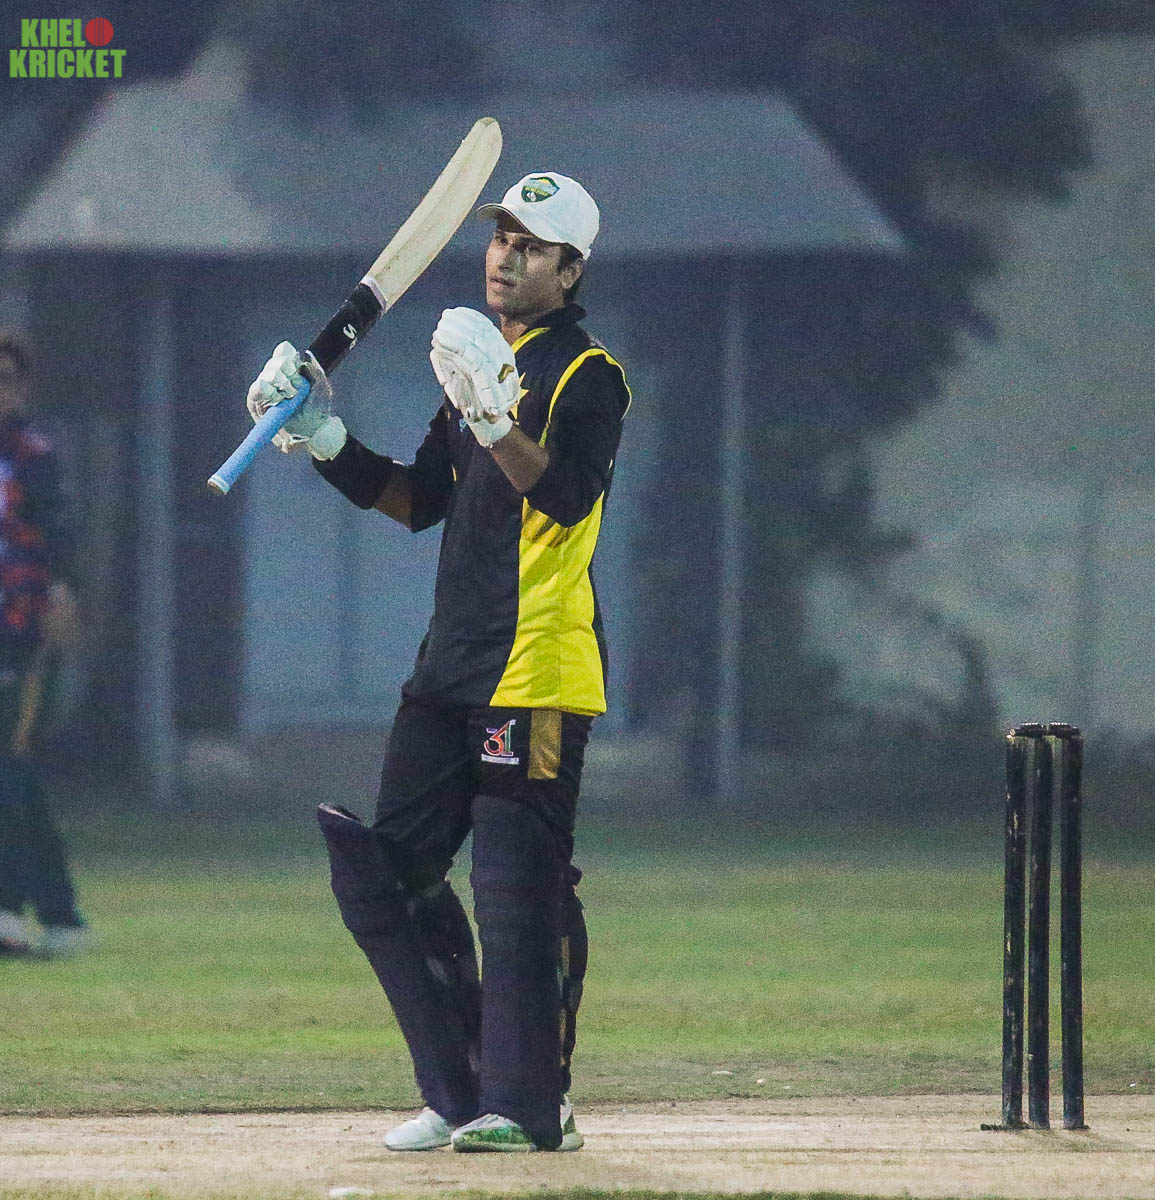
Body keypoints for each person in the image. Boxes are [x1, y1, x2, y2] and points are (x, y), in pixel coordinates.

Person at [247, 173, 629, 1152]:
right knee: (389, 875)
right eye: (501, 238)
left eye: (531, 246)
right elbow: (418, 501)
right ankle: (458, 1090)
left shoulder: (589, 376)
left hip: (537, 668)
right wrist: (319, 433)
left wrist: (497, 422)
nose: (506, 256)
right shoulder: (471, 362)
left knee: (516, 886)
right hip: (449, 664)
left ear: (570, 270)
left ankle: (532, 1104)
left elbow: (567, 499)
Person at [0, 331, 88, 958]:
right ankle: (56, 914)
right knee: (13, 772)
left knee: (13, 763)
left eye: (7, 381)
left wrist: (61, 590)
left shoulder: (35, 454)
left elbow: (59, 530)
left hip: (20, 633)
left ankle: (26, 909)